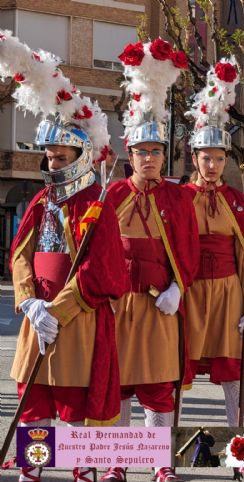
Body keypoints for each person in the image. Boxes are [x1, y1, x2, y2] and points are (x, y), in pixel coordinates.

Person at [3, 34, 129, 482]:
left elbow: (104, 269)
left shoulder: (98, 205)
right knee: (33, 399)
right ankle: (32, 471)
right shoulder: (40, 202)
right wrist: (30, 303)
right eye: (49, 156)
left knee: (74, 404)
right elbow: (20, 254)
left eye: (60, 157)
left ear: (80, 156)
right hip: (38, 314)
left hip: (77, 318)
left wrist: (61, 309)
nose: (52, 164)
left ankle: (80, 470)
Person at [104, 39, 198, 482]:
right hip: (119, 300)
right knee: (119, 384)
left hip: (160, 300)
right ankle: (117, 461)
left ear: (164, 155)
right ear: (130, 154)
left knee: (159, 387)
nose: (149, 158)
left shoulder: (178, 196)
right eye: (142, 152)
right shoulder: (114, 195)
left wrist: (179, 287)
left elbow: (188, 248)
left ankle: (161, 464)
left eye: (156, 151)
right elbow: (98, 247)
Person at [181, 59, 244, 431]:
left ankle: (238, 444)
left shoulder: (238, 200)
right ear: (194, 158)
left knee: (232, 374)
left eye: (219, 158)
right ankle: (164, 450)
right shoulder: (179, 198)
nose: (212, 165)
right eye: (206, 158)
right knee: (176, 370)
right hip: (190, 292)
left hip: (229, 295)